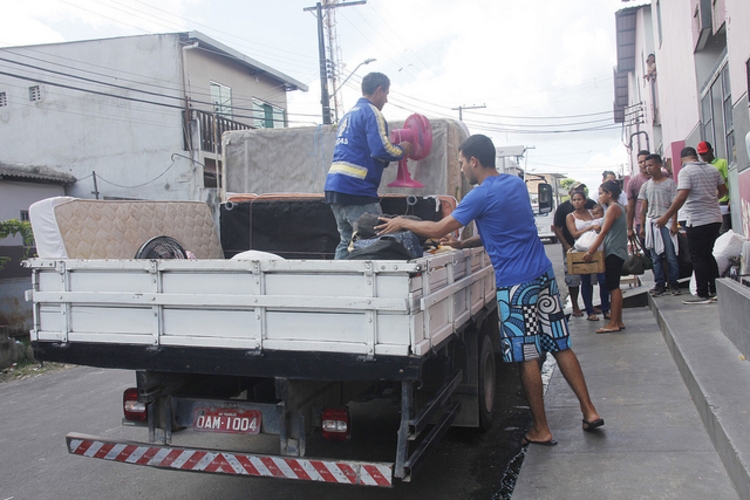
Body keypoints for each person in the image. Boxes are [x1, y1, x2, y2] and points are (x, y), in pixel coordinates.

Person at [376, 135, 602, 446]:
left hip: (515, 285)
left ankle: (541, 429)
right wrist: (465, 243)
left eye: (461, 163)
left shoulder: (479, 195)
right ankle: (589, 411)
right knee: (560, 345)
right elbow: (505, 232)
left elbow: (439, 228)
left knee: (528, 356)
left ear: (473, 161)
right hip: (543, 276)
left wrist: (404, 222)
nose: (461, 170)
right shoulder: (515, 185)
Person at [324, 72, 412, 259]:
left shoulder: (349, 114)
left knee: (347, 240)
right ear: (379, 90)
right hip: (356, 190)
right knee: (376, 239)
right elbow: (381, 149)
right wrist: (403, 149)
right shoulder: (372, 113)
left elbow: (363, 151)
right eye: (387, 94)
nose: (386, 100)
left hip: (334, 189)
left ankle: (337, 281)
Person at [657, 147, 728, 304]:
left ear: (682, 159)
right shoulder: (712, 169)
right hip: (715, 218)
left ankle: (702, 293)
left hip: (696, 220)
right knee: (708, 254)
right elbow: (723, 191)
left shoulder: (686, 171)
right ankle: (715, 289)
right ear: (695, 156)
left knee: (697, 256)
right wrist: (711, 199)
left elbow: (682, 195)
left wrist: (666, 216)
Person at [583, 181, 628, 333]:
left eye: (601, 193)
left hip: (614, 251)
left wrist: (590, 252)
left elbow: (603, 232)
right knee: (613, 286)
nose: (599, 196)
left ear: (610, 194)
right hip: (616, 250)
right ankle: (618, 321)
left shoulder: (613, 208)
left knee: (613, 287)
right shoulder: (614, 207)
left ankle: (614, 323)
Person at [638, 154, 681, 296]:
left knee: (671, 256)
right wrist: (643, 226)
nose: (647, 168)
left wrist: (674, 223)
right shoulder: (646, 186)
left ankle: (674, 283)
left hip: (667, 223)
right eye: (646, 166)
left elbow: (675, 205)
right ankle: (659, 284)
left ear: (658, 165)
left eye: (650, 165)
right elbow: (643, 207)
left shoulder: (670, 183)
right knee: (655, 257)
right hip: (652, 223)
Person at [552, 183, 596, 317]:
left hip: (591, 247)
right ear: (571, 194)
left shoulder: (591, 206)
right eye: (576, 193)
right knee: (573, 277)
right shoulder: (564, 209)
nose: (578, 198)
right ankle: (575, 306)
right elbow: (557, 227)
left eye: (581, 192)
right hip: (572, 246)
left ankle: (590, 305)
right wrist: (566, 245)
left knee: (589, 276)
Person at [566, 192, 610, 322]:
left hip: (598, 248)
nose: (577, 202)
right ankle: (590, 311)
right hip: (581, 250)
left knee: (603, 280)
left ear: (585, 201)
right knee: (585, 282)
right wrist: (590, 227)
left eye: (579, 199)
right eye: (574, 200)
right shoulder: (571, 216)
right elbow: (574, 234)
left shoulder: (593, 213)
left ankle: (606, 309)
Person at [697, 141, 731, 234]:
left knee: (724, 230)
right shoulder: (702, 167)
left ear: (711, 150)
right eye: (701, 154)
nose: (703, 156)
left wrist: (731, 199)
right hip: (711, 204)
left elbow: (730, 182)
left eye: (705, 153)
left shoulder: (722, 163)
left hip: (724, 201)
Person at [626, 150, 651, 245]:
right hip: (641, 224)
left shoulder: (662, 177)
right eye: (640, 162)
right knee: (648, 255)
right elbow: (630, 207)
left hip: (660, 221)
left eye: (646, 160)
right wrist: (629, 229)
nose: (644, 164)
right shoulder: (633, 182)